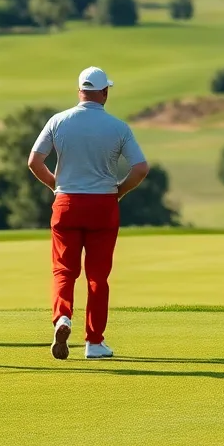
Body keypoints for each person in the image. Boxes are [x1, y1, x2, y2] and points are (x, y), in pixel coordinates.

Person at [28, 67, 149, 361]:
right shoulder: (118, 127)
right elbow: (140, 168)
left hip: (66, 203)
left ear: (79, 91)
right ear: (104, 92)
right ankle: (94, 343)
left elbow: (34, 161)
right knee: (97, 277)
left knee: (63, 271)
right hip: (103, 205)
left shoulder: (58, 121)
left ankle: (62, 317)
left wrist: (56, 186)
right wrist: (119, 192)